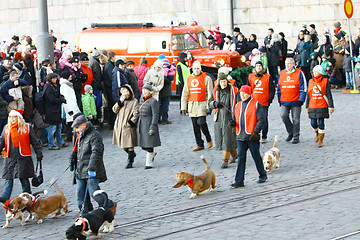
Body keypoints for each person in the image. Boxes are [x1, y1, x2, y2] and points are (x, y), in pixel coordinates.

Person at [69, 114, 117, 214]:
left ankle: (109, 205)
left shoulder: (94, 135)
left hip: (92, 169)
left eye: (77, 127)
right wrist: (72, 158)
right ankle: (84, 215)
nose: (76, 130)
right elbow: (76, 150)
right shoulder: (78, 135)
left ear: (84, 125)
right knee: (80, 195)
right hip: (80, 169)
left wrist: (92, 167)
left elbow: (97, 152)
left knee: (94, 193)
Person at [0, 109, 43, 201]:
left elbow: (34, 142)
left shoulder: (27, 127)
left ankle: (27, 197)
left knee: (24, 179)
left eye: (14, 117)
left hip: (23, 158)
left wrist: (39, 152)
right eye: (11, 117)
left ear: (19, 118)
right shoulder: (6, 128)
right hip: (10, 158)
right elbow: (2, 141)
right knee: (8, 179)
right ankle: (5, 197)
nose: (12, 119)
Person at [230, 85, 267, 188]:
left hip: (252, 137)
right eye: (241, 94)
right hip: (240, 137)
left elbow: (261, 120)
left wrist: (256, 132)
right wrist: (233, 123)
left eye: (245, 94)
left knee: (256, 156)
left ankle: (262, 174)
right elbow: (234, 118)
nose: (243, 95)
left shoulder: (256, 104)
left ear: (249, 94)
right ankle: (239, 180)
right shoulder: (237, 105)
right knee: (241, 158)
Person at [181, 60, 213, 151]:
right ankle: (199, 143)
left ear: (200, 69)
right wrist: (183, 107)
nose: (196, 70)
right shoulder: (189, 79)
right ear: (192, 69)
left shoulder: (206, 78)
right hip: (192, 105)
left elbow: (210, 93)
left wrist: (209, 106)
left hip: (202, 104)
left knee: (201, 122)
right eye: (195, 68)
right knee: (195, 125)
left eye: (198, 68)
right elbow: (185, 93)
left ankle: (208, 138)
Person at [209, 72, 239, 169]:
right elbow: (209, 102)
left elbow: (238, 104)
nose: (223, 83)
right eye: (221, 81)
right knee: (223, 140)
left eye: (224, 81)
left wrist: (235, 118)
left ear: (227, 81)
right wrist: (215, 104)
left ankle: (225, 160)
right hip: (218, 119)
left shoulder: (233, 91)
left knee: (227, 139)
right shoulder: (216, 90)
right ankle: (234, 155)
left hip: (229, 118)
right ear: (219, 82)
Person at [277, 58, 307, 144]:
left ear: (293, 64)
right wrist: (279, 99)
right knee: (283, 115)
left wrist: (301, 99)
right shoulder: (282, 73)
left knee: (296, 119)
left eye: (289, 64)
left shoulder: (299, 73)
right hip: (284, 100)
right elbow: (279, 87)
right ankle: (290, 132)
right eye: (286, 64)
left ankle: (296, 136)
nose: (288, 66)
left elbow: (303, 86)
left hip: (296, 100)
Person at [305, 65, 334, 147]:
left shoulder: (325, 81)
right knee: (313, 123)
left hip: (322, 105)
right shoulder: (310, 81)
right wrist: (307, 106)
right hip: (312, 105)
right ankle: (317, 133)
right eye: (314, 72)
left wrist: (331, 106)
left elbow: (329, 94)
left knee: (321, 123)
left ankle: (321, 140)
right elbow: (309, 95)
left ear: (320, 72)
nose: (314, 73)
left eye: (316, 72)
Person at [112, 84, 139, 169]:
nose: (125, 94)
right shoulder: (121, 101)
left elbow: (136, 114)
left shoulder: (134, 101)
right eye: (122, 92)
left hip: (128, 125)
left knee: (130, 144)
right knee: (123, 145)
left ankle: (130, 161)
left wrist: (131, 122)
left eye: (126, 92)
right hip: (119, 125)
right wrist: (120, 102)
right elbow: (114, 110)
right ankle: (132, 155)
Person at [248, 61, 275, 143]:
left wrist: (269, 100)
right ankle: (255, 134)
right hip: (254, 101)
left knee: (264, 119)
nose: (259, 67)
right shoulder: (251, 76)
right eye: (257, 66)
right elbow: (248, 88)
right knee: (254, 119)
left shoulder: (267, 77)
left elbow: (271, 89)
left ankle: (264, 136)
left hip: (264, 102)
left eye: (260, 66)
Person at [138, 82, 161, 169]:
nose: (144, 92)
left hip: (149, 124)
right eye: (144, 90)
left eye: (146, 90)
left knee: (149, 144)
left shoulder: (153, 101)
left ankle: (149, 163)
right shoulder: (141, 100)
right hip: (142, 124)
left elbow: (155, 115)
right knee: (143, 144)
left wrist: (153, 126)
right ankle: (152, 154)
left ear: (150, 92)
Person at [43, 73, 68, 150]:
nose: (56, 79)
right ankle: (51, 143)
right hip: (51, 111)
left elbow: (57, 95)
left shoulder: (53, 86)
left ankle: (60, 141)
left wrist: (61, 98)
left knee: (58, 127)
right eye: (54, 78)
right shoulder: (48, 88)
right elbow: (52, 100)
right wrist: (61, 100)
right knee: (52, 128)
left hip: (56, 111)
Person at [59, 70, 81, 142]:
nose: (71, 76)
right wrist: (69, 109)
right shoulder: (64, 86)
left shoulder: (67, 84)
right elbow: (66, 99)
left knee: (71, 122)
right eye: (70, 75)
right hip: (69, 107)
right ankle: (69, 136)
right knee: (70, 123)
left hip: (72, 106)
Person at [159, 58, 176, 124]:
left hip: (160, 91)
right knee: (165, 106)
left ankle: (159, 119)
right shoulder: (166, 71)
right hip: (166, 91)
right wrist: (170, 81)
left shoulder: (160, 71)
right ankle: (164, 120)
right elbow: (165, 80)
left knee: (160, 106)